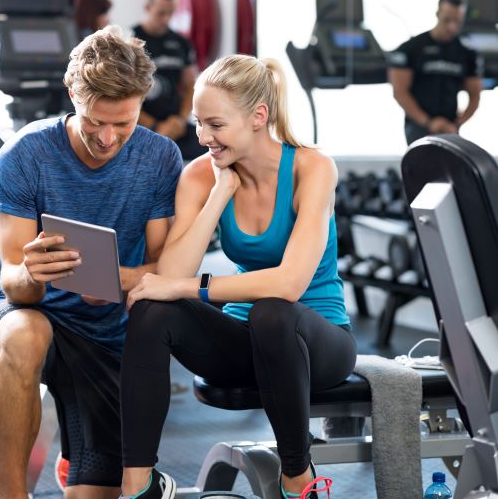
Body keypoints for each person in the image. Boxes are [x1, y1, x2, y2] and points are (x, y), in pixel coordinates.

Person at [118, 55, 356, 499]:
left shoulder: (312, 168)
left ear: (257, 117)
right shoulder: (199, 175)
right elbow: (170, 276)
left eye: (215, 125)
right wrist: (218, 194)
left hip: (315, 342)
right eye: (198, 123)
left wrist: (190, 288)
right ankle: (139, 486)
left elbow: (288, 285)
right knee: (152, 310)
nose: (203, 136)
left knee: (272, 311)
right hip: (242, 341)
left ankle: (298, 479)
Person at [0, 25, 182, 498]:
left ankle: (80, 458)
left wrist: (119, 281)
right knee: (26, 335)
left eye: (124, 122)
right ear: (73, 93)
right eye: (96, 120)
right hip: (35, 313)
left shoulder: (159, 158)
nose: (109, 138)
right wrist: (31, 275)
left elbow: (165, 265)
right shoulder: (26, 154)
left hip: (111, 331)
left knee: (94, 492)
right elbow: (11, 277)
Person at [388, 0, 482, 145]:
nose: (452, 27)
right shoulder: (411, 48)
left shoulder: (467, 53)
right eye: (447, 20)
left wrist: (459, 122)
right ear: (438, 13)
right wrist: (428, 122)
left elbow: (475, 94)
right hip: (418, 125)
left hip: (450, 127)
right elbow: (400, 92)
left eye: (457, 21)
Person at [132, 0, 204, 161]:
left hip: (175, 124)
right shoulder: (129, 41)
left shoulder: (181, 43)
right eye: (161, 13)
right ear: (148, 7)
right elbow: (121, 94)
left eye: (170, 13)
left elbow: (190, 86)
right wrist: (155, 126)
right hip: (140, 125)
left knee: (208, 151)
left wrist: (180, 120)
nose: (166, 19)